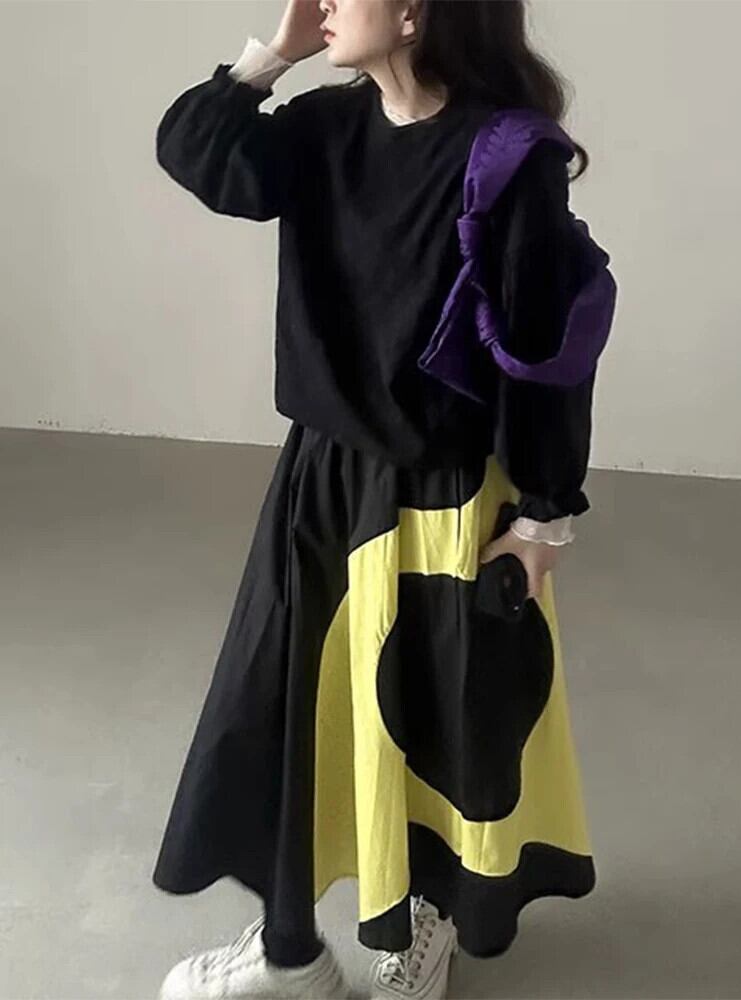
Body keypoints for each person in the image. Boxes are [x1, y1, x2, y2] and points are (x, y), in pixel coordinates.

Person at [152, 1, 599, 997]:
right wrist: (272, 55)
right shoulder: (324, 128)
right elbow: (194, 151)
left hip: (445, 492)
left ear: (412, 12)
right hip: (321, 474)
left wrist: (543, 511)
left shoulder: (506, 157)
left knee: (427, 717)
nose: (319, 2)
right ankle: (290, 953)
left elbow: (545, 351)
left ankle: (421, 924)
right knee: (286, 706)